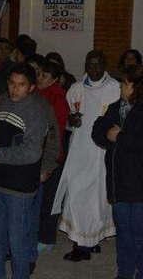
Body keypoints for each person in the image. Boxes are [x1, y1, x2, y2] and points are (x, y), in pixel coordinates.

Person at [0, 63, 51, 279]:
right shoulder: (0, 102)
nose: (15, 89)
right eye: (12, 83)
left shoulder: (37, 111)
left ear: (31, 88)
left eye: (21, 85)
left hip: (20, 187)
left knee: (18, 240)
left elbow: (32, 152)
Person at [52, 50, 121, 261]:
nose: (94, 68)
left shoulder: (115, 89)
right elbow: (70, 120)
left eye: (98, 64)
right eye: (89, 64)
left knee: (97, 198)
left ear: (105, 64)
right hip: (80, 149)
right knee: (77, 193)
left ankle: (88, 242)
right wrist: (72, 121)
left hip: (101, 152)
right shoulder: (75, 89)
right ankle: (84, 243)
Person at [92, 65, 143, 279]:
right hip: (118, 182)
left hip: (139, 185)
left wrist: (120, 137)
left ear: (136, 86)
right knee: (123, 233)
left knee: (139, 235)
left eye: (124, 83)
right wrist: (109, 136)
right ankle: (124, 272)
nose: (121, 86)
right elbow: (97, 130)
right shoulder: (115, 108)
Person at [35, 61, 70, 253]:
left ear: (55, 79)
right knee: (36, 197)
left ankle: (46, 237)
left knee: (50, 198)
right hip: (35, 151)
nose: (40, 78)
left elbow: (56, 130)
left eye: (45, 76)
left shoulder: (57, 97)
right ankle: (36, 232)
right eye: (39, 74)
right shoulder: (37, 93)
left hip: (51, 154)